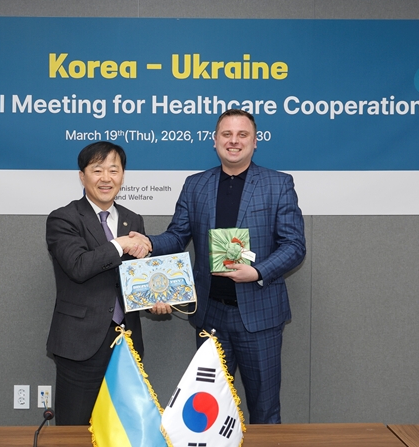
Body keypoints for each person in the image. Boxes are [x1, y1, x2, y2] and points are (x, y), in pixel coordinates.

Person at [149, 109, 306, 424]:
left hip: (259, 317)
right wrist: (148, 243)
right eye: (226, 135)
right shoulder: (195, 185)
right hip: (211, 316)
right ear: (215, 141)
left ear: (255, 141)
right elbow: (177, 236)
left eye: (242, 135)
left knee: (264, 410)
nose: (234, 141)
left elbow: (294, 246)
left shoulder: (278, 184)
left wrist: (258, 272)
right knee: (209, 412)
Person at [46, 141, 153, 425]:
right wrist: (119, 245)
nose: (106, 178)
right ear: (82, 176)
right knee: (74, 430)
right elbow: (79, 267)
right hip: (81, 342)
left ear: (122, 176)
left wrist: (155, 300)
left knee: (123, 430)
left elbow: (135, 279)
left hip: (127, 342)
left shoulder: (133, 220)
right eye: (97, 170)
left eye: (114, 170)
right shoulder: (63, 218)